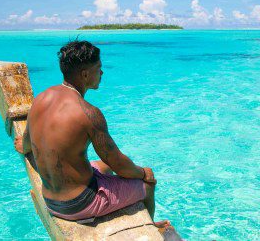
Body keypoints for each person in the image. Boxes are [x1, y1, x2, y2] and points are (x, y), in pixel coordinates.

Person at [14, 40, 170, 229]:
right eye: (99, 68)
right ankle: (151, 228)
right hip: (79, 204)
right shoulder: (89, 113)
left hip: (51, 199)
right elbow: (119, 164)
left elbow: (27, 144)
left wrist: (23, 145)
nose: (102, 73)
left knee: (104, 166)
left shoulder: (41, 98)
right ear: (85, 74)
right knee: (146, 185)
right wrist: (144, 173)